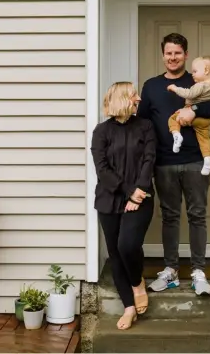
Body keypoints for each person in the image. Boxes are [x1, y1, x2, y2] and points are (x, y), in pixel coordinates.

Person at [137, 33, 210, 296]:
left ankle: (199, 270)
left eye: (178, 53)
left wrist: (195, 111)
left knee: (197, 215)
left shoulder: (198, 80)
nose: (173, 57)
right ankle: (170, 271)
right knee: (170, 217)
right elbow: (143, 123)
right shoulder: (152, 86)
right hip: (163, 162)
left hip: (195, 161)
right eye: (169, 53)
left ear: (186, 55)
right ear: (163, 55)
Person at [91, 82, 156, 330]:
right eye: (133, 95)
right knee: (115, 252)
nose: (138, 99)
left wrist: (138, 192)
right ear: (121, 99)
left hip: (142, 196)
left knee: (128, 245)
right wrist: (128, 192)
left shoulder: (146, 126)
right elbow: (102, 169)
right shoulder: (101, 131)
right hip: (109, 199)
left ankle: (137, 281)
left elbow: (149, 159)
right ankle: (129, 307)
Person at [167, 55, 210, 175]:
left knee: (173, 119)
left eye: (195, 71)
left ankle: (177, 135)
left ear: (206, 71)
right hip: (205, 120)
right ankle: (207, 160)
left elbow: (189, 94)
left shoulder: (200, 85)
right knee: (204, 139)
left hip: (192, 115)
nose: (193, 74)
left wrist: (175, 88)